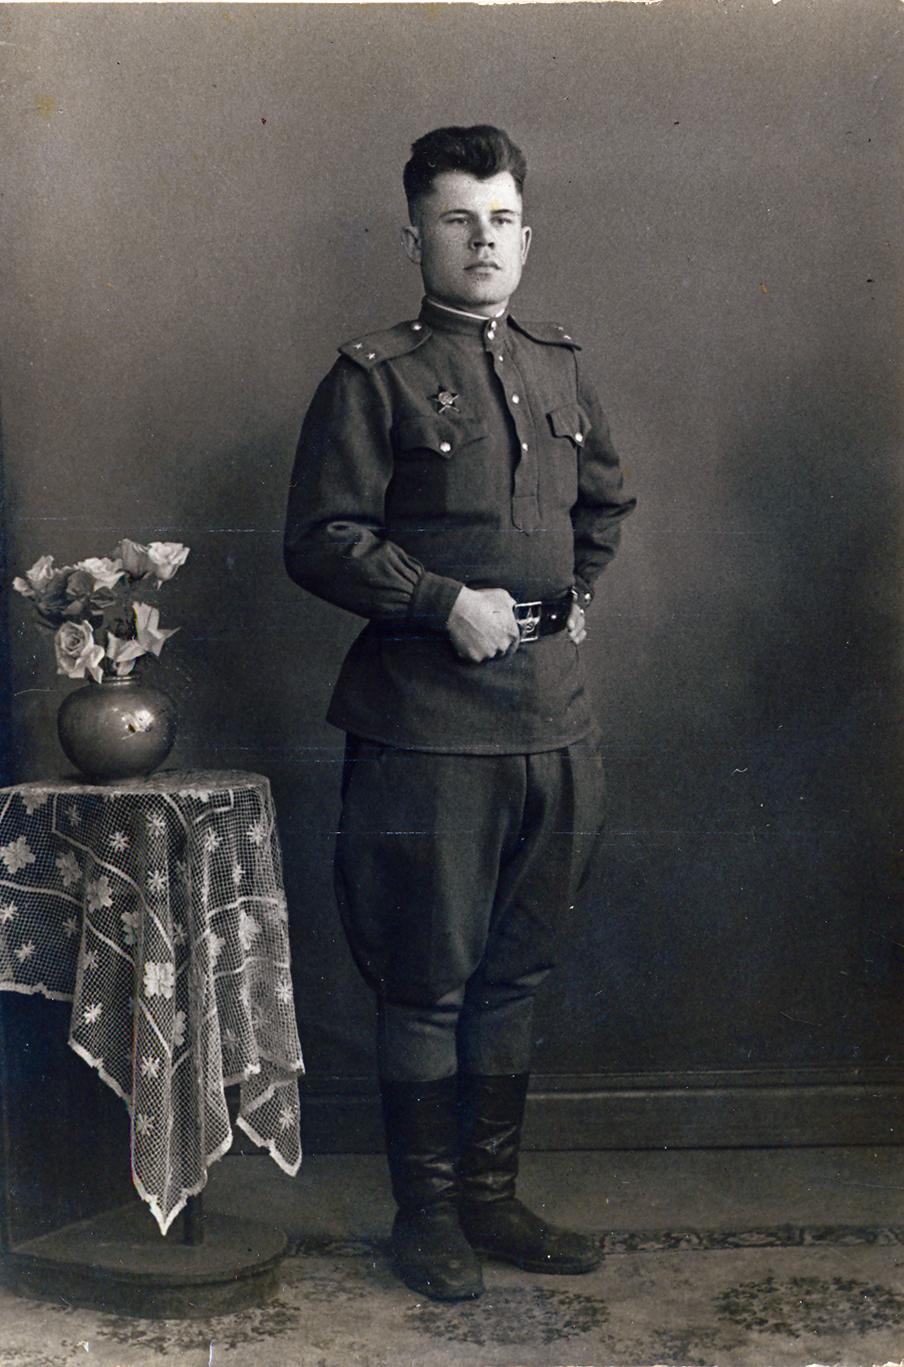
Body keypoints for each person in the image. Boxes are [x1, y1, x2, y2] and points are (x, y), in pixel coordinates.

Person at [284, 125, 636, 1302]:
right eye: (456, 220)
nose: (482, 241)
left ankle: (490, 1199)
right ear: (415, 239)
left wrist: (571, 597)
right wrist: (440, 602)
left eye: (500, 221)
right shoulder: (371, 376)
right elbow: (320, 537)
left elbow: (606, 500)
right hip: (426, 726)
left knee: (515, 975)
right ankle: (427, 1216)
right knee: (427, 979)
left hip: (553, 722)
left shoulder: (560, 365)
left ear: (525, 237)